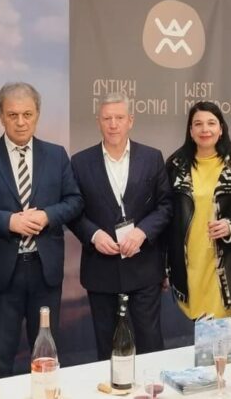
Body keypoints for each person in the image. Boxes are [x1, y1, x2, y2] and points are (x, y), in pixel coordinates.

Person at [0, 82, 83, 377]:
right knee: (1, 357)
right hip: (3, 274)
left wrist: (48, 215)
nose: (21, 122)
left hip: (45, 271)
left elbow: (75, 201)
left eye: (27, 114)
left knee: (46, 355)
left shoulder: (56, 155)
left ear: (37, 114)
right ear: (1, 116)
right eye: (13, 115)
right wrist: (8, 221)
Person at [69, 93, 172, 360]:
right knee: (107, 348)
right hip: (101, 269)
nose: (113, 124)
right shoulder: (79, 162)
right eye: (107, 118)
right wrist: (93, 235)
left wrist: (142, 231)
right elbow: (72, 211)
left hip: (144, 268)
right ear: (98, 122)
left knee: (150, 345)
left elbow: (165, 206)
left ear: (130, 121)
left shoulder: (152, 157)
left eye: (119, 118)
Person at [163, 101, 231, 320]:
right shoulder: (175, 166)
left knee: (219, 329)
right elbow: (164, 217)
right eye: (198, 124)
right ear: (190, 131)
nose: (205, 129)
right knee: (199, 325)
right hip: (188, 263)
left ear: (221, 128)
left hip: (226, 265)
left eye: (211, 123)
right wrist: (163, 265)